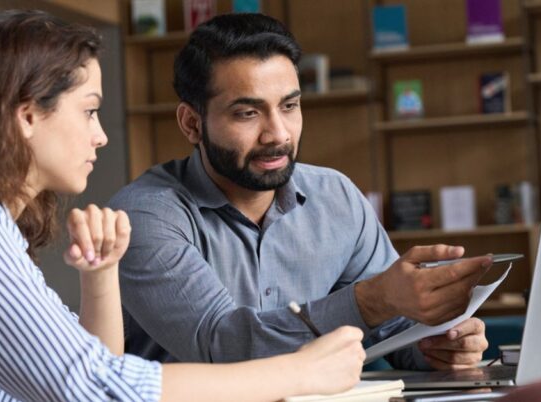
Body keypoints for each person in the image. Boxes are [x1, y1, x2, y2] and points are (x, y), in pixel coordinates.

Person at [0, 10, 367, 402]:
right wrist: (296, 373)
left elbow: (92, 366)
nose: (101, 135)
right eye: (90, 110)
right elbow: (90, 387)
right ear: (28, 115)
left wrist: (99, 278)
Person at [110, 13, 491, 371]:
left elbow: (392, 331)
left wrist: (441, 343)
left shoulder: (336, 197)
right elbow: (222, 346)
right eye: (248, 113)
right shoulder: (145, 216)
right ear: (192, 123)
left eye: (289, 106)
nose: (278, 134)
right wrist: (373, 300)